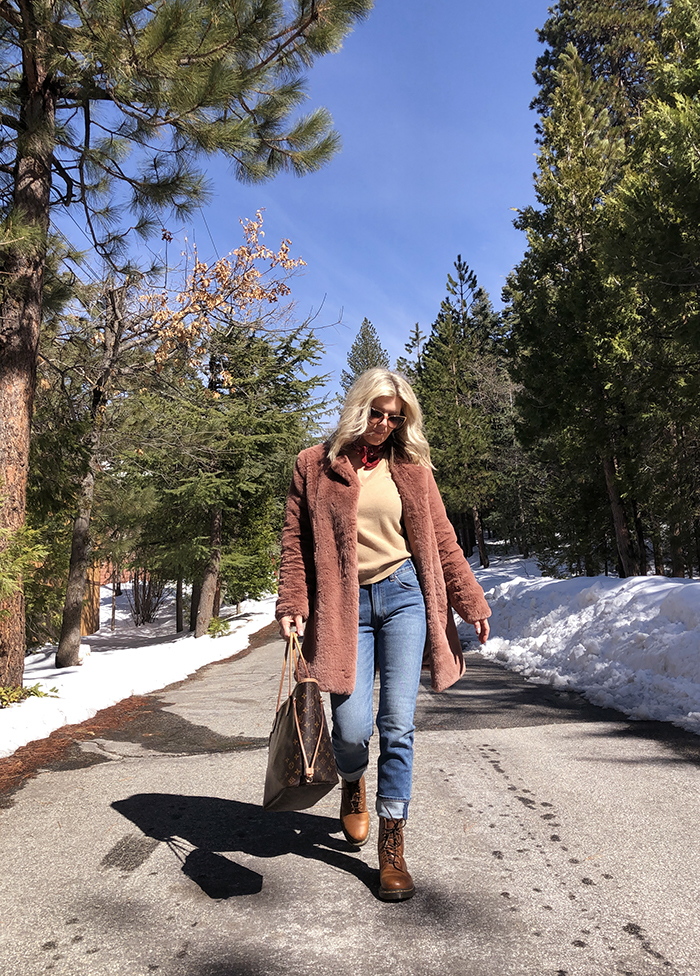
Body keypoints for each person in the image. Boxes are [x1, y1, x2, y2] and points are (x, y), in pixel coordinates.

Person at [276, 367, 491, 901]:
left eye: (395, 418)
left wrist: (469, 600)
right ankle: (352, 782)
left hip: (403, 597)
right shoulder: (313, 465)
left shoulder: (412, 469)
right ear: (357, 407)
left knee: (397, 724)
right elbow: (294, 542)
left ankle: (392, 846)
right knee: (350, 730)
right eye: (377, 412)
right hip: (345, 606)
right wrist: (292, 602)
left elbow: (442, 538)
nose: (384, 424)